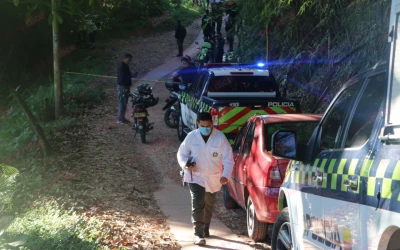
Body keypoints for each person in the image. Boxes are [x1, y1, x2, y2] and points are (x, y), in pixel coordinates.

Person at [176, 112, 234, 246]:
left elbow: (228, 159)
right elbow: (181, 153)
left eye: (208, 125)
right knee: (198, 203)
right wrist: (186, 165)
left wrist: (226, 175)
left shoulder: (220, 137)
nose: (205, 128)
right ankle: (198, 234)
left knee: (208, 205)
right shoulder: (191, 137)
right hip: (195, 176)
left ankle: (205, 226)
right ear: (197, 124)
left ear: (212, 124)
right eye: (202, 126)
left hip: (213, 177)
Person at [117, 53, 137, 124]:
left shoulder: (125, 66)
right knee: (122, 103)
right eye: (129, 59)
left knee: (124, 102)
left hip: (125, 86)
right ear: (126, 58)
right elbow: (122, 78)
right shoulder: (122, 66)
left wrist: (132, 75)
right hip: (123, 86)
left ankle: (122, 117)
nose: (130, 61)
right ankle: (120, 119)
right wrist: (130, 77)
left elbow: (126, 75)